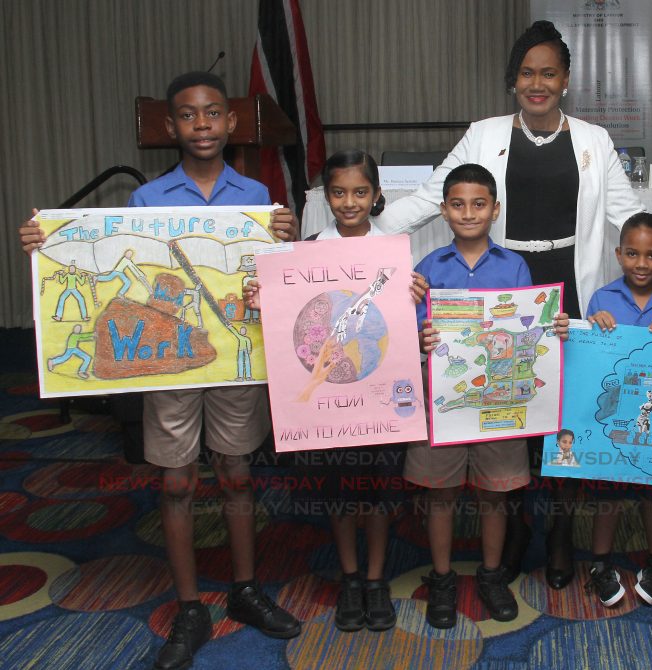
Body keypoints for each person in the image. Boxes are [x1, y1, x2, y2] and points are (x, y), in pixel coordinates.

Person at [376, 20, 652, 585]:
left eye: (549, 73)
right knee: (502, 411)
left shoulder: (593, 140)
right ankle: (513, 533)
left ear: (565, 80)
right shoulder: (483, 134)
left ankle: (558, 534)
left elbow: (625, 216)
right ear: (513, 80)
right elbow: (430, 198)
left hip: (566, 292)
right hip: (503, 288)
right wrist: (360, 242)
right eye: (527, 73)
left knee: (560, 417)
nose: (538, 83)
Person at [20, 71, 302, 670]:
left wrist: (289, 240)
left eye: (212, 113)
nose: (201, 124)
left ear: (231, 123)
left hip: (233, 359)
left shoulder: (257, 195)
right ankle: (189, 603)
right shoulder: (146, 200)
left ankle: (246, 589)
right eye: (188, 115)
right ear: (170, 126)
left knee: (237, 473)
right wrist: (48, 246)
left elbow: (279, 278)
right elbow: (117, 264)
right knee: (176, 481)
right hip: (169, 363)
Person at [244, 149, 428, 633]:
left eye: (361, 192)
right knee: (340, 493)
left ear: (377, 195)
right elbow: (290, 324)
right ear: (326, 197)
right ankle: (350, 577)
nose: (350, 202)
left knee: (379, 493)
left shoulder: (397, 255)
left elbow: (402, 335)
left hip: (376, 399)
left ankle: (375, 580)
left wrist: (413, 298)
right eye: (340, 192)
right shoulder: (304, 253)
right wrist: (266, 299)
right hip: (328, 403)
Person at [412, 163, 569, 629]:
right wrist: (420, 335)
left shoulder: (514, 265)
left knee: (494, 496)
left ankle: (491, 575)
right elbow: (415, 331)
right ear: (443, 211)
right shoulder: (427, 268)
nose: (468, 213)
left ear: (495, 210)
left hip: (501, 403)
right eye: (457, 204)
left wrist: (553, 327)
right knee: (439, 496)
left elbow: (530, 330)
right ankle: (441, 579)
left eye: (478, 204)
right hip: (443, 402)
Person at [583, 212, 652, 608]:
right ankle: (599, 563)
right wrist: (592, 325)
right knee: (608, 491)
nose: (642, 264)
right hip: (613, 414)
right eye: (633, 254)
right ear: (618, 254)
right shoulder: (603, 297)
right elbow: (585, 351)